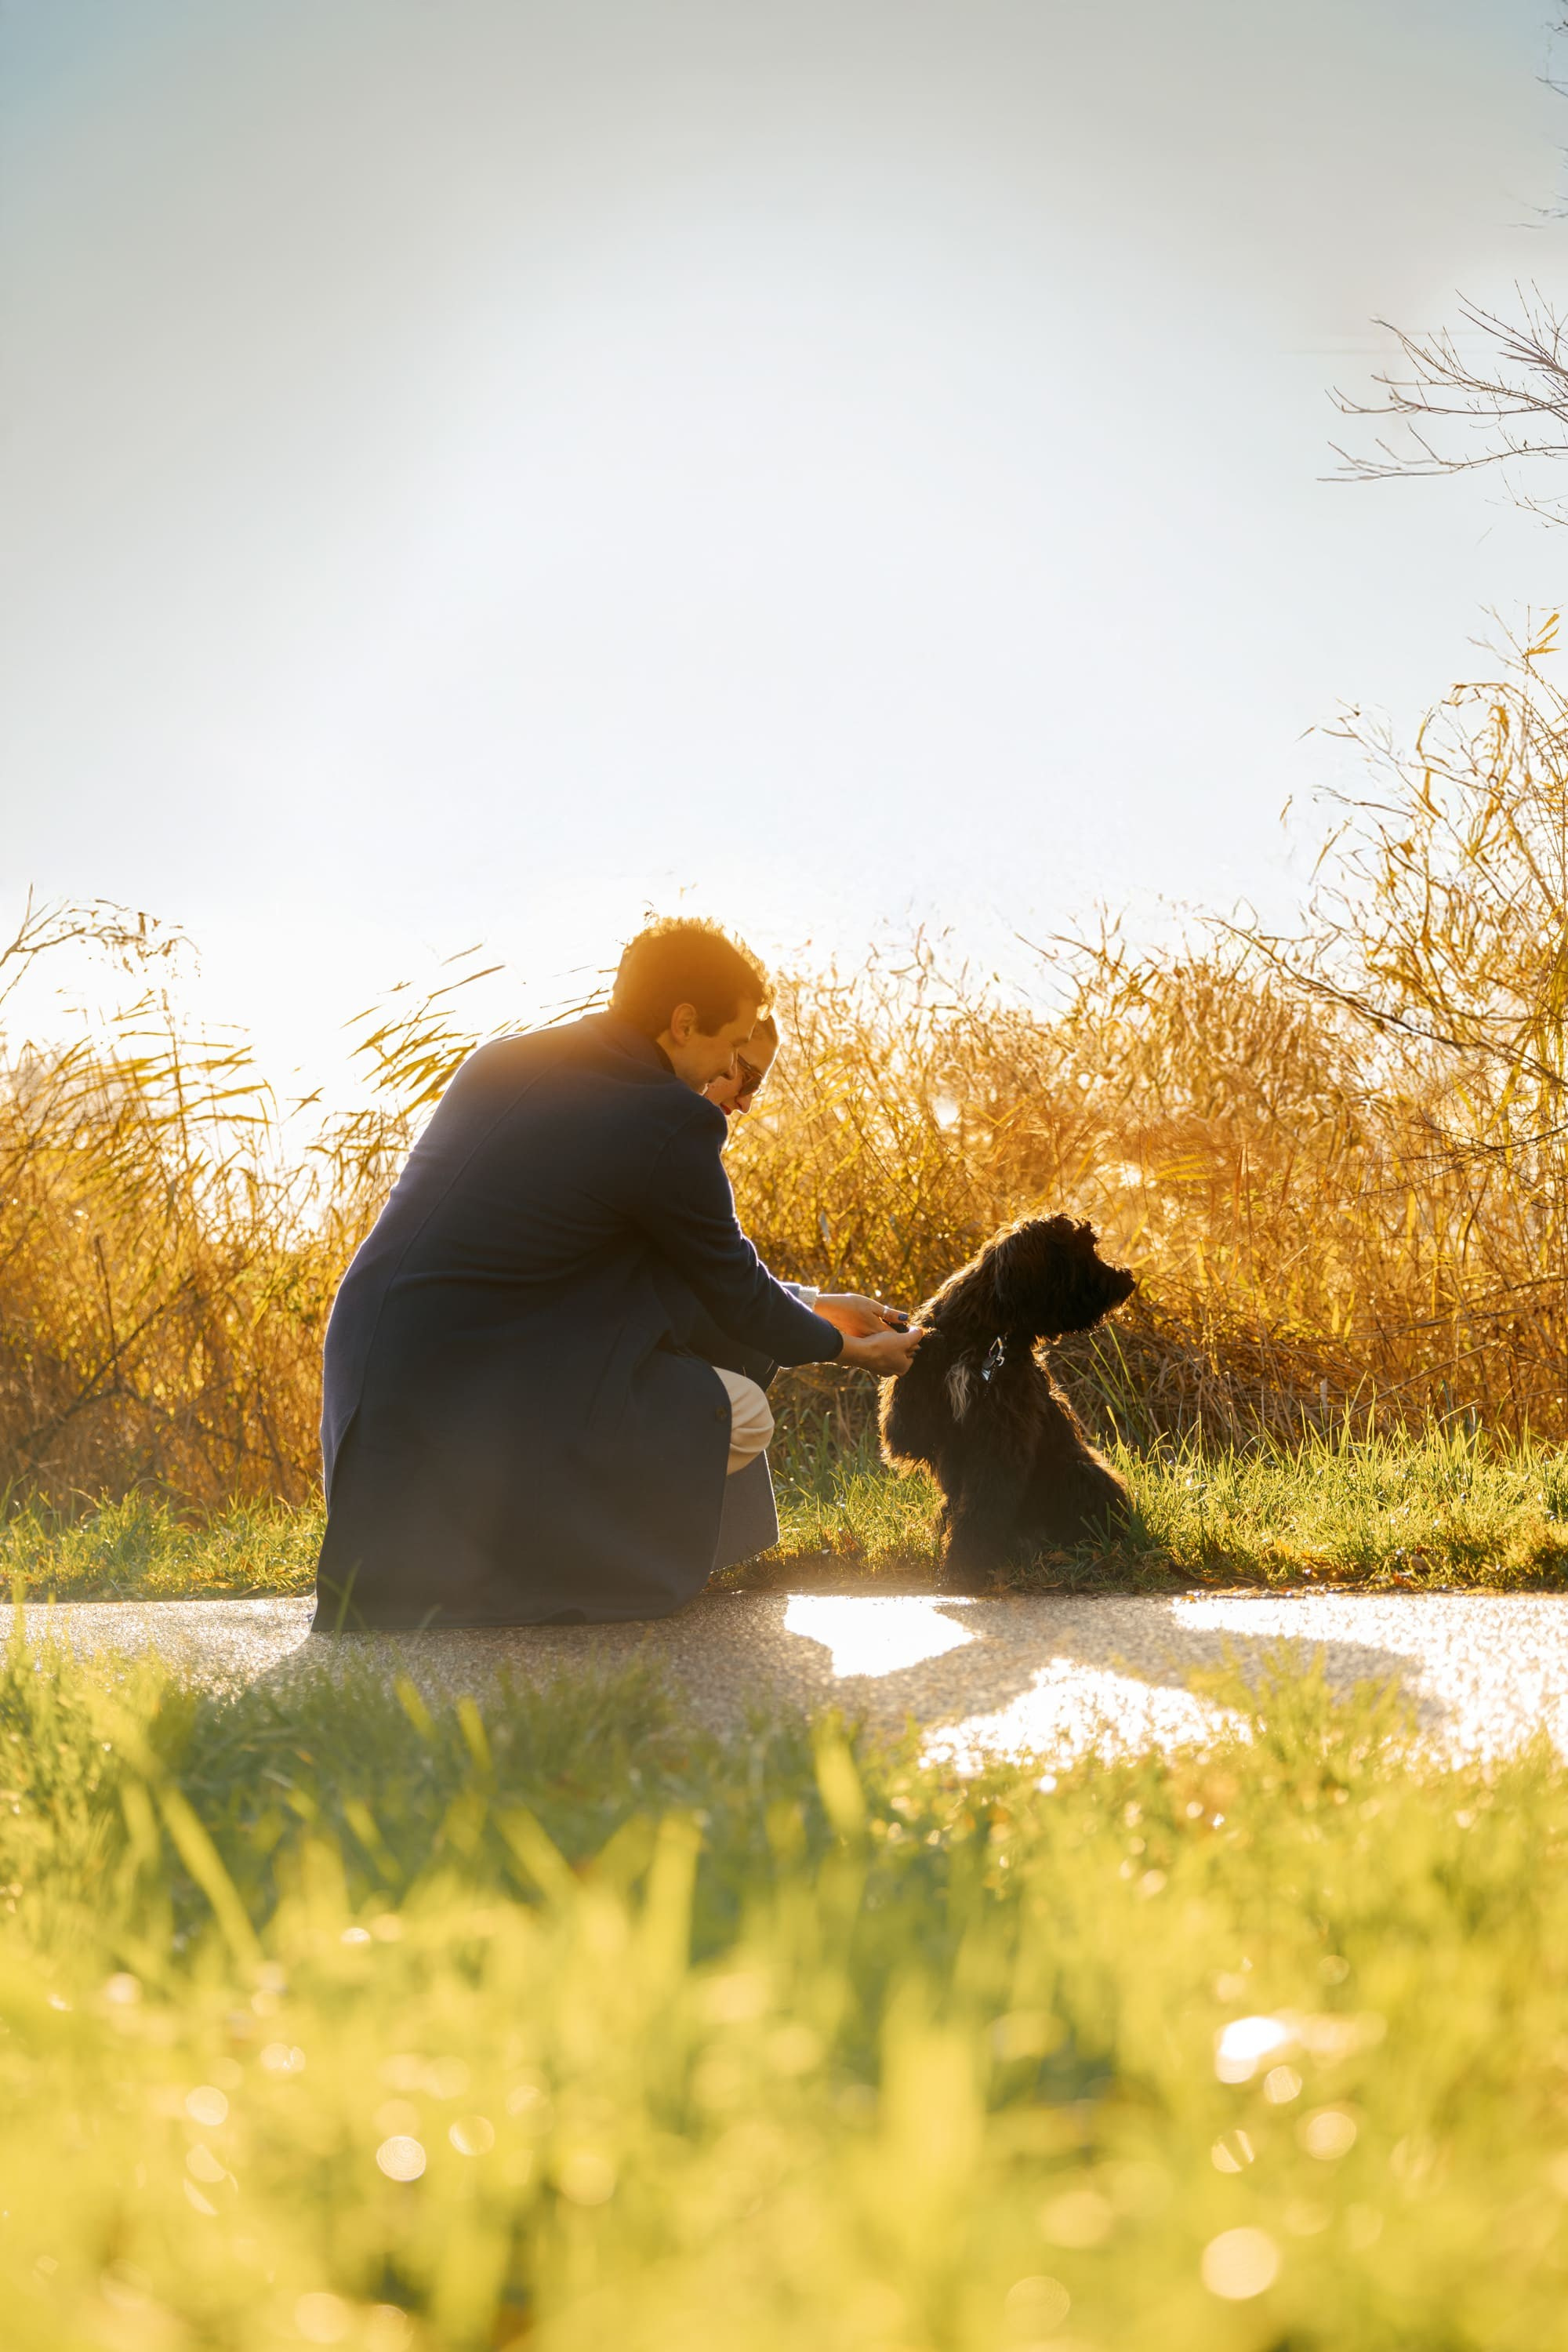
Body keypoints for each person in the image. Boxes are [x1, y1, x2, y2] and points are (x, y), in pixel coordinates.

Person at [314, 918, 922, 1629]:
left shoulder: (504, 1060)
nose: (729, 1077)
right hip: (466, 1403)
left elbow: (670, 1278)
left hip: (375, 1398)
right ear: (684, 1022)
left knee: (682, 1350)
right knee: (737, 1410)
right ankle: (563, 1563)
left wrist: (817, 1304)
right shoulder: (662, 1117)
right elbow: (727, 1287)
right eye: (730, 1051)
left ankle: (574, 1549)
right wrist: (851, 1349)